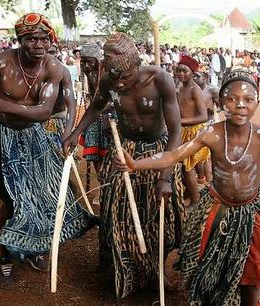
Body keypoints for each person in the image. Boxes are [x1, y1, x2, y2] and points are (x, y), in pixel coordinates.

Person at [116, 69, 260, 305]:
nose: (240, 105)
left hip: (250, 216)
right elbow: (173, 156)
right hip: (217, 212)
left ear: (257, 104)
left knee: (252, 275)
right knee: (210, 269)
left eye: (248, 100)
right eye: (232, 99)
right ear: (222, 102)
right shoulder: (212, 133)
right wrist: (136, 164)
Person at [0, 13, 94, 286]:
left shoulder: (54, 68)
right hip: (5, 138)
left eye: (43, 38)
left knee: (43, 197)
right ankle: (5, 258)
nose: (37, 44)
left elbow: (47, 110)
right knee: (13, 200)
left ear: (50, 40)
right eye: (30, 38)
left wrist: (68, 133)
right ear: (20, 40)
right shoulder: (1, 62)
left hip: (39, 136)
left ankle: (35, 248)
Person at [64, 32, 185, 298]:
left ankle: (156, 271)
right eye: (114, 77)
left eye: (125, 78)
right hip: (123, 151)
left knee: (158, 216)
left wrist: (165, 176)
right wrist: (75, 134)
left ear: (136, 66)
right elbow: (96, 106)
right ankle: (121, 267)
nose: (119, 83)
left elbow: (176, 130)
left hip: (157, 153)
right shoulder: (109, 81)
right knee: (116, 212)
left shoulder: (159, 79)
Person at [175, 55, 209, 203]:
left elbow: (203, 117)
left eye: (185, 71)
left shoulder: (195, 90)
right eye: (179, 70)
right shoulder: (181, 89)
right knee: (185, 167)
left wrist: (179, 121)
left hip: (194, 131)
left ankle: (195, 201)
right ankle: (192, 192)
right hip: (183, 131)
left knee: (187, 168)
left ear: (192, 73)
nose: (181, 74)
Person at [77, 43, 110, 172]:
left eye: (89, 62)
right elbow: (93, 94)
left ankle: (108, 173)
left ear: (97, 60)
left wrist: (101, 109)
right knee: (93, 149)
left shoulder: (107, 72)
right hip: (96, 112)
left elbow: (113, 97)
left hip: (109, 113)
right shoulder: (88, 71)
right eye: (83, 61)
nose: (86, 65)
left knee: (109, 149)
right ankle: (100, 174)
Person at [42, 43, 76, 147]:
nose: (48, 55)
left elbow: (71, 104)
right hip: (35, 124)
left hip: (56, 122)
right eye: (46, 52)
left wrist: (67, 132)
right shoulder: (31, 72)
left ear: (57, 53)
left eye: (52, 52)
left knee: (58, 159)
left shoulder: (63, 72)